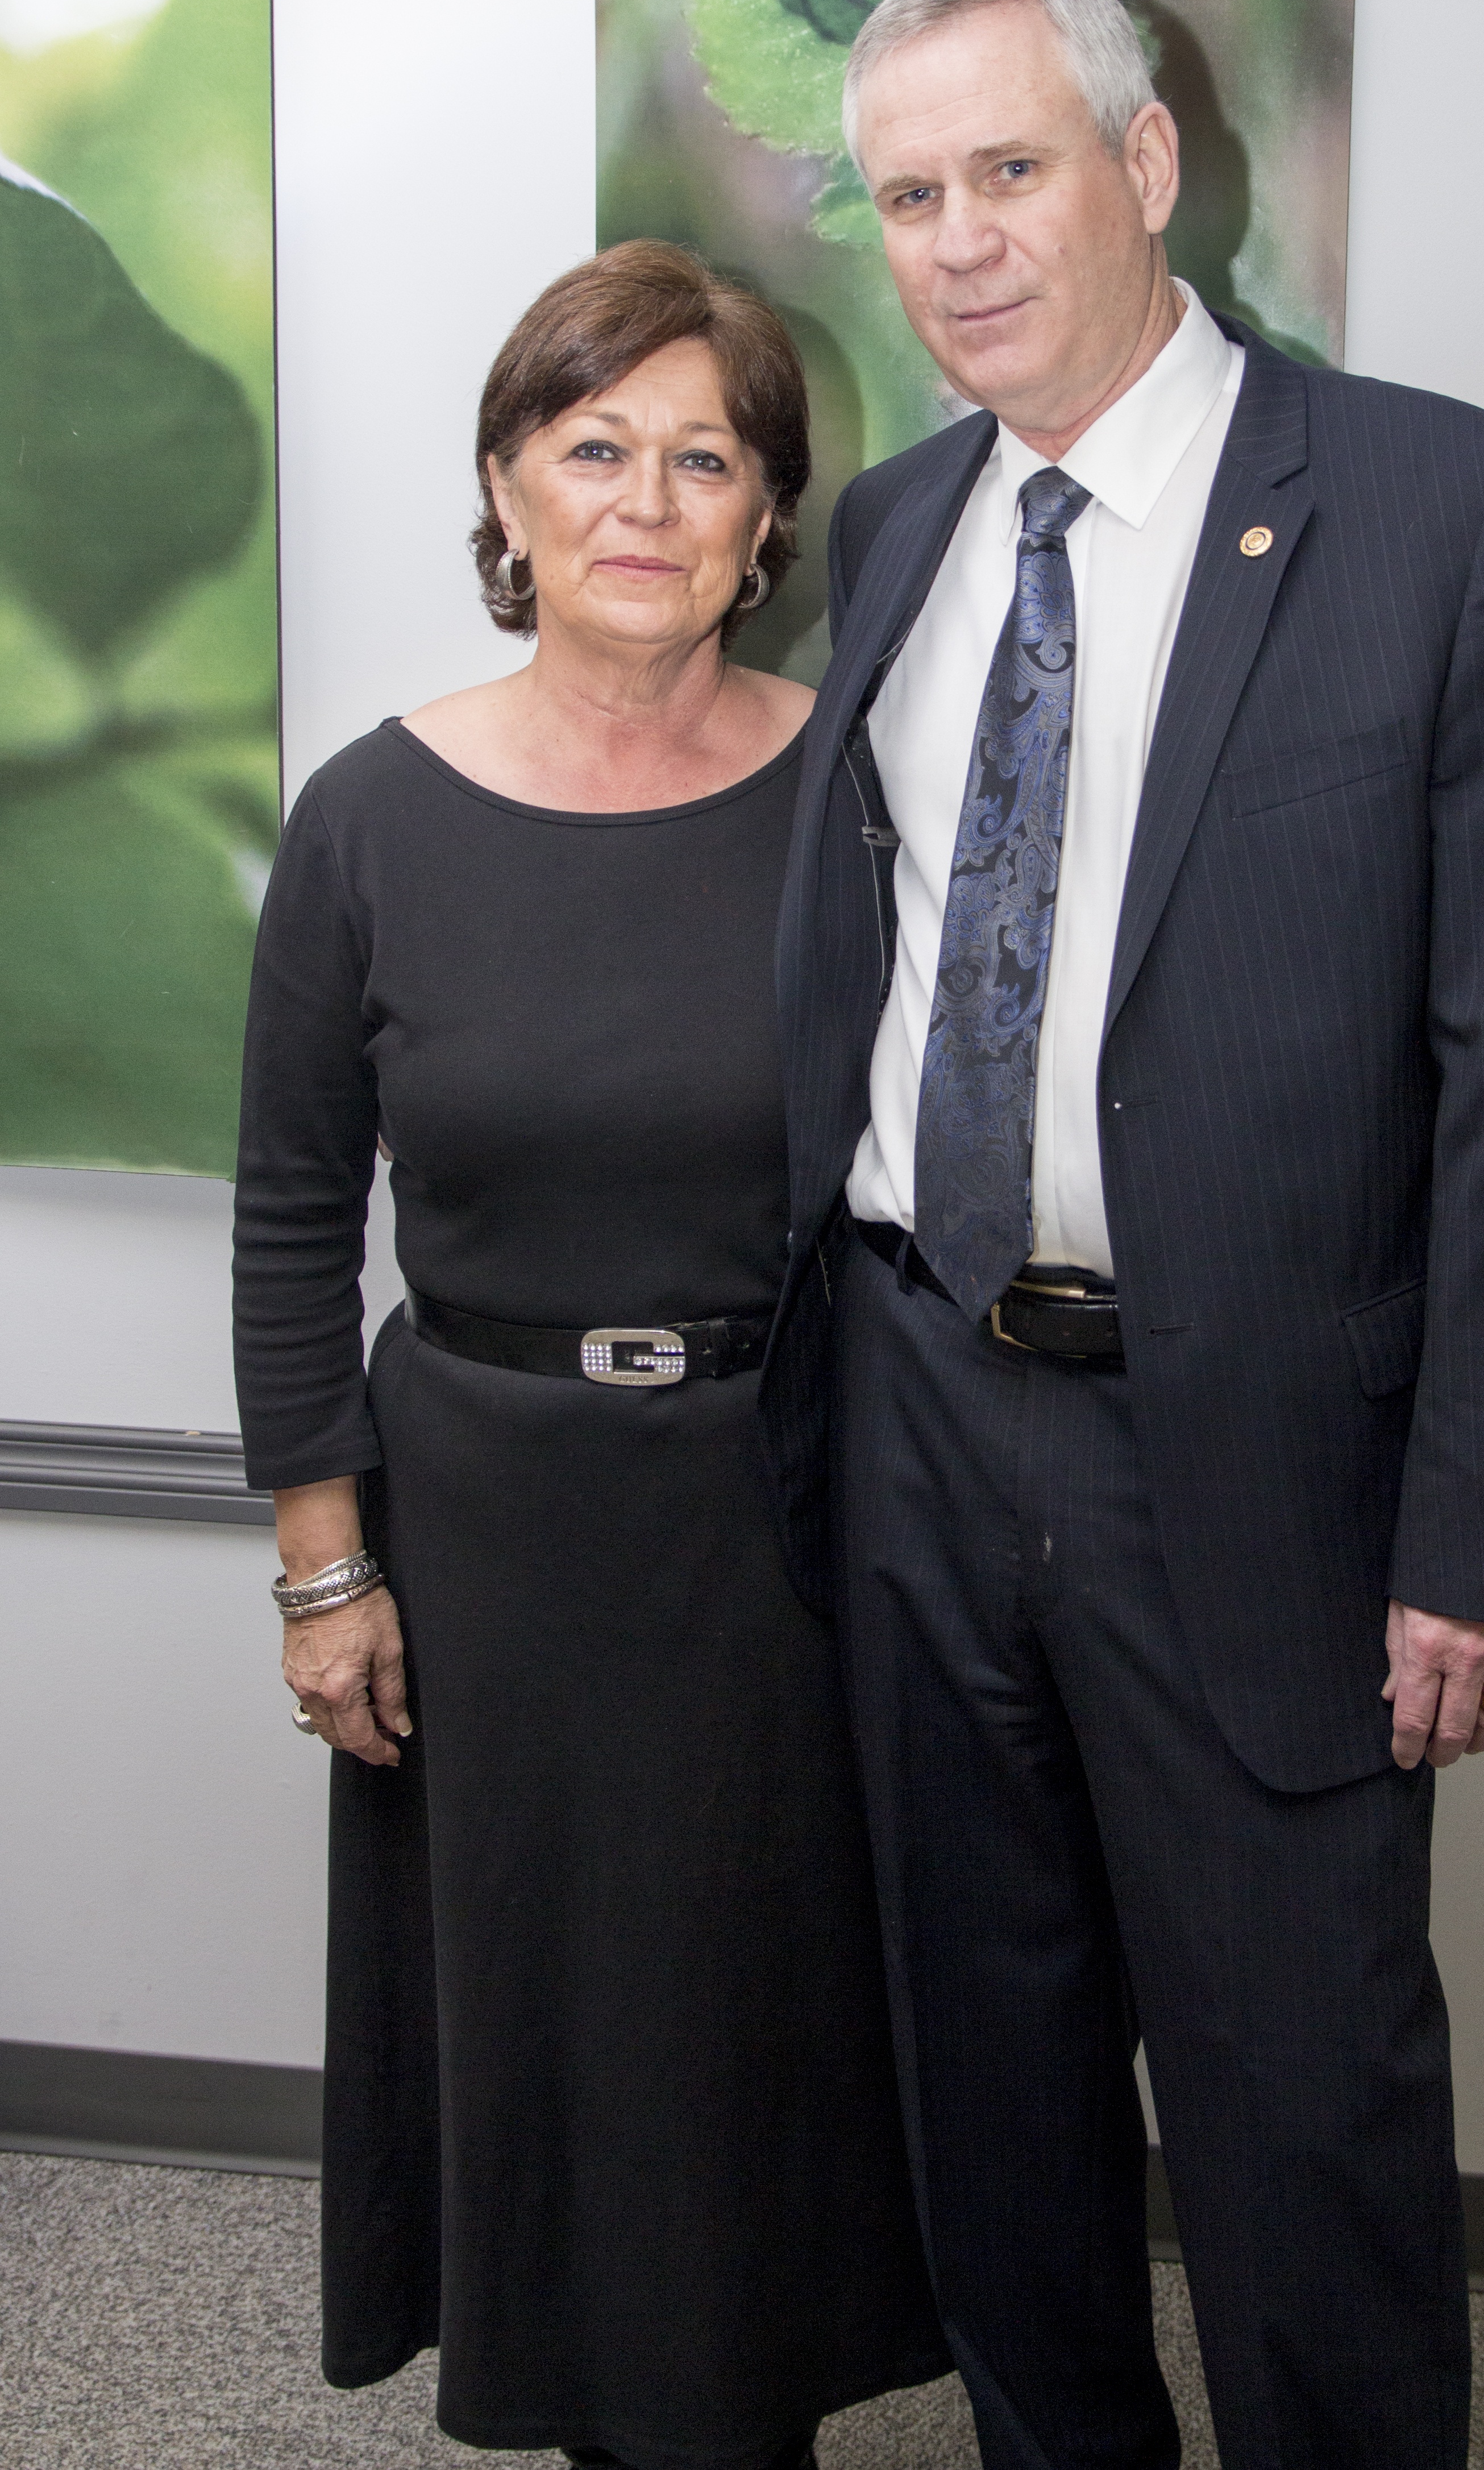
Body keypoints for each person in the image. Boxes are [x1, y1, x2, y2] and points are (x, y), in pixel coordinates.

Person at [760, 0, 1484, 2470]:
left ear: (1144, 170)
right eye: (908, 195)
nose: (953, 244)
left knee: (1302, 2133)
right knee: (997, 2114)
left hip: (1252, 1462)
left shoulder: (1444, 507)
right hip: (929, 1419)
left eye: (1007, 171)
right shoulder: (898, 524)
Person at [233, 240, 946, 2469]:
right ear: (507, 490)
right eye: (592, 445)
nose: (645, 495)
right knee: (551, 2050)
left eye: (702, 454)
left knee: (756, 2051)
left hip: (786, 1521)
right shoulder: (367, 815)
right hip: (491, 1544)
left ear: (765, 520)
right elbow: (289, 1211)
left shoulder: (863, 791)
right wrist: (322, 1561)